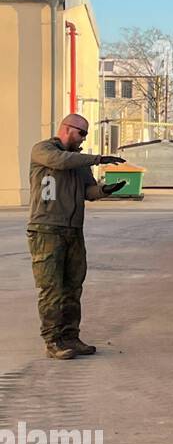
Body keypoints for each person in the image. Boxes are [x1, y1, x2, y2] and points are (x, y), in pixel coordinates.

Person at [27, 114, 129, 359]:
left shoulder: (79, 162)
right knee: (51, 288)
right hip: (46, 230)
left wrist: (105, 190)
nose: (84, 138)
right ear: (67, 129)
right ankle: (52, 340)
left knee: (73, 287)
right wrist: (98, 159)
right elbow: (60, 161)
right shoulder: (43, 150)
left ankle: (71, 337)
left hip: (73, 231)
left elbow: (88, 191)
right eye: (81, 133)